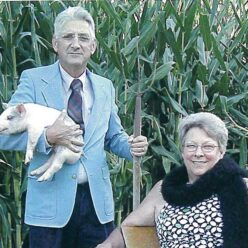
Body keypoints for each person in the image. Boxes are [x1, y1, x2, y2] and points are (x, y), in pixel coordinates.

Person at [0, 6, 148, 248]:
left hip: (96, 206)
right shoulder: (33, 80)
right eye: (68, 37)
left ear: (93, 46)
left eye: (83, 38)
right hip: (49, 205)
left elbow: (112, 137)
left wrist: (131, 146)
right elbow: (3, 135)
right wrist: (47, 137)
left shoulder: (105, 87)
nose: (76, 44)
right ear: (55, 43)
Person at [97, 112, 248, 248]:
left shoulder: (242, 187)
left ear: (221, 152)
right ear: (182, 151)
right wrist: (107, 244)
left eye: (208, 147)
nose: (198, 153)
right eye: (191, 146)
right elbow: (126, 227)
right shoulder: (164, 190)